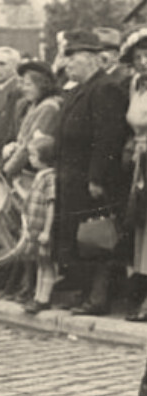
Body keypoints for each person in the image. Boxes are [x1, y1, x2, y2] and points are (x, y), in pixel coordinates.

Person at [54, 29, 129, 316]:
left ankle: (99, 298)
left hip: (92, 180)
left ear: (92, 60)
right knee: (79, 238)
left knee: (97, 237)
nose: (67, 65)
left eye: (73, 59)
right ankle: (86, 293)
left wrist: (97, 178)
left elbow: (107, 137)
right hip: (72, 177)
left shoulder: (104, 88)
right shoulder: (81, 89)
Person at [1, 60, 62, 302]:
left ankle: (31, 287)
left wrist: (8, 168)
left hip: (30, 176)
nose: (24, 88)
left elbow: (30, 146)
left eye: (28, 83)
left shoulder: (48, 108)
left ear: (42, 84)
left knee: (31, 233)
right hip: (24, 172)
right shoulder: (32, 105)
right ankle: (26, 285)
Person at [118, 26, 147, 321]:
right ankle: (138, 287)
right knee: (139, 225)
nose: (144, 61)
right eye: (139, 55)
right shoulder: (136, 84)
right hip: (138, 161)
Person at [22, 136, 58, 314]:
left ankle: (44, 298)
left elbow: (51, 204)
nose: (30, 159)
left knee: (47, 263)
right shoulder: (39, 176)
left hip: (43, 229)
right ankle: (38, 296)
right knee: (40, 263)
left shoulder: (50, 177)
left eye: (34, 155)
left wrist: (47, 230)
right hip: (34, 229)